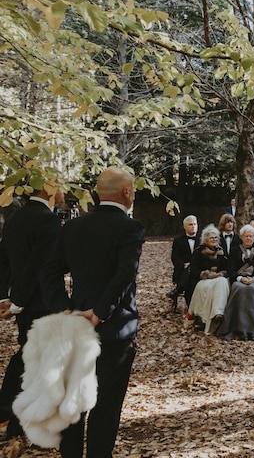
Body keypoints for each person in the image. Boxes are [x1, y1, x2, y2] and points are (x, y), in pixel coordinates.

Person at [41, 167, 146, 457]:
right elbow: (125, 274)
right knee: (106, 408)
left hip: (75, 328)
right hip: (115, 329)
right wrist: (100, 312)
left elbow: (49, 271)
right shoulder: (130, 227)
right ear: (127, 192)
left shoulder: (73, 227)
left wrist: (65, 309)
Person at [0, 186, 64, 440]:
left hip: (26, 302)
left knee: (30, 358)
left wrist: (5, 295)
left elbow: (2, 257)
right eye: (59, 185)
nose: (63, 190)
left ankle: (15, 421)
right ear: (48, 189)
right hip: (41, 303)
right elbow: (40, 265)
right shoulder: (49, 221)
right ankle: (11, 413)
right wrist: (18, 300)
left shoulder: (16, 217)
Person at [216, 224, 254, 341]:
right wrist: (240, 278)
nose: (248, 238)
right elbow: (230, 269)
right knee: (240, 289)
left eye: (251, 236)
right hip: (238, 280)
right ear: (241, 237)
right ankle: (240, 329)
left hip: (253, 281)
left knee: (252, 289)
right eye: (246, 236)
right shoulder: (235, 250)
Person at [187, 225, 230, 335]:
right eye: (212, 238)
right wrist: (207, 274)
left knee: (222, 282)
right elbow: (194, 270)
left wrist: (220, 273)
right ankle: (210, 315)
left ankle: (217, 313)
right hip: (203, 281)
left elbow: (227, 268)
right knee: (219, 284)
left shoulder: (221, 252)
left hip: (219, 280)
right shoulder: (198, 252)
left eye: (216, 238)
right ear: (205, 239)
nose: (214, 240)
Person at [168, 215, 198, 311]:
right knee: (189, 279)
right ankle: (191, 310)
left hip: (199, 270)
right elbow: (175, 257)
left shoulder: (203, 240)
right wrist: (183, 265)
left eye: (195, 224)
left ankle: (178, 290)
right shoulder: (178, 241)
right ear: (184, 227)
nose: (193, 226)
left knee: (192, 272)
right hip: (182, 271)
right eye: (190, 224)